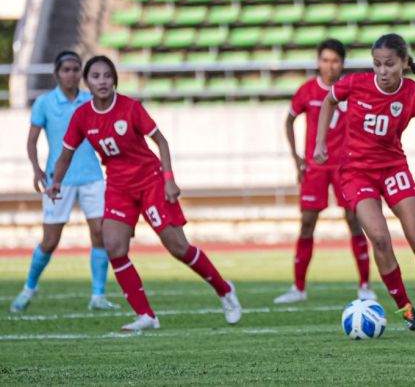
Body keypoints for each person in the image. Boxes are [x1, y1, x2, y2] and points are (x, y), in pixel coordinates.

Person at [46, 56, 242, 331]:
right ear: (87, 82)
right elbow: (65, 155)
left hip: (150, 182)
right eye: (96, 76)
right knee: (114, 247)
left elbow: (160, 141)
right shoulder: (82, 116)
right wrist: (56, 181)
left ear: (114, 79)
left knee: (178, 247)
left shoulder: (130, 108)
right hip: (118, 187)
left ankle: (224, 290)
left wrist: (169, 180)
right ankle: (146, 315)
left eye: (107, 76)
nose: (102, 81)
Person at [313, 33, 415, 331]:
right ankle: (405, 308)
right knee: (378, 237)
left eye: (389, 64)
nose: (382, 71)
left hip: (393, 170)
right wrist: (320, 142)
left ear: (404, 63)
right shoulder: (355, 84)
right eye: (377, 64)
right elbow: (328, 102)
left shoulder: (412, 94)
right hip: (356, 173)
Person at [11, 50, 118, 313]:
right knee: (50, 240)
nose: (71, 74)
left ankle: (98, 296)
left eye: (75, 69)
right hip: (59, 179)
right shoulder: (45, 103)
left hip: (92, 176)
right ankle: (29, 288)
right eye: (66, 69)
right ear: (56, 73)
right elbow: (32, 140)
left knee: (100, 233)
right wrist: (37, 170)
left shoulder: (92, 100)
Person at [274, 39, 375, 304]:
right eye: (325, 60)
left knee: (355, 221)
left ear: (342, 64)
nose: (330, 66)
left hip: (346, 167)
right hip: (315, 167)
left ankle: (365, 285)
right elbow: (289, 120)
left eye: (335, 61)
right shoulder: (307, 91)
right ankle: (298, 287)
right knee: (307, 223)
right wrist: (296, 157)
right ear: (318, 61)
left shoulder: (351, 89)